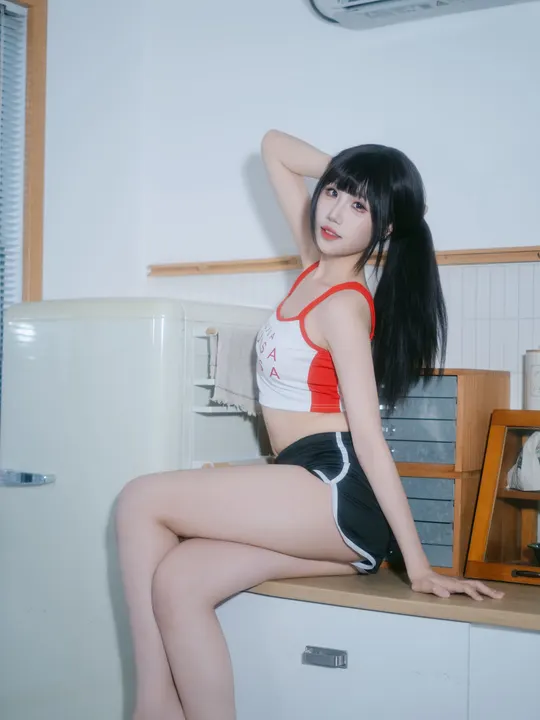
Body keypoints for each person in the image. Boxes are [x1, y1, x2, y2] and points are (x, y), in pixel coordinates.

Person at [115, 129, 504, 720]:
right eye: (334, 192)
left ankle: (150, 707)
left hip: (336, 485)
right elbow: (273, 146)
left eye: (359, 206)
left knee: (140, 498)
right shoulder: (311, 271)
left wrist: (419, 566)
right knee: (180, 581)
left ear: (385, 227)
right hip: (303, 486)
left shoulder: (344, 304)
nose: (334, 211)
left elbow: (368, 438)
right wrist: (357, 177)